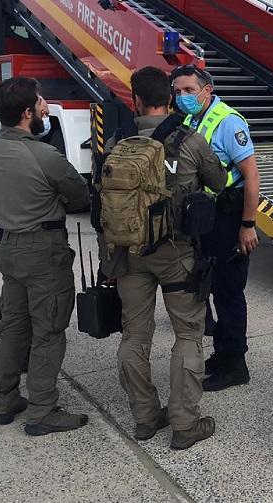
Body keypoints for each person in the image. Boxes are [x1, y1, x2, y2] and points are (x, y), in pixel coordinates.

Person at [102, 67, 226, 449]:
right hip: (177, 254)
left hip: (130, 254)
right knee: (188, 334)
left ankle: (144, 416)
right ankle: (184, 424)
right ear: (170, 99)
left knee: (134, 336)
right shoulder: (189, 140)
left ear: (134, 100)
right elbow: (219, 182)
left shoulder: (116, 143)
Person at [0, 77, 90, 435]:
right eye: (41, 103)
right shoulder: (44, 155)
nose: (45, 107)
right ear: (28, 112)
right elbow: (79, 196)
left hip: (9, 249)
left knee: (12, 327)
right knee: (48, 330)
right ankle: (42, 411)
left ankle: (4, 399)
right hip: (44, 252)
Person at [170, 65, 261, 392]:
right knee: (211, 286)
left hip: (229, 215)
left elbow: (251, 176)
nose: (183, 97)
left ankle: (236, 363)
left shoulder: (228, 122)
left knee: (229, 292)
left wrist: (248, 225)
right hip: (205, 217)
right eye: (178, 92)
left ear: (207, 90)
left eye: (189, 91)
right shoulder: (189, 120)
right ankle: (222, 353)